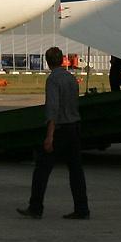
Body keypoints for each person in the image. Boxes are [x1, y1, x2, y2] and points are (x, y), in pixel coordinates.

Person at [18, 46, 89, 219]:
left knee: (42, 170)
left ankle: (35, 208)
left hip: (59, 130)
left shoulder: (53, 80)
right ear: (62, 60)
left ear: (48, 62)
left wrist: (49, 136)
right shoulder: (72, 79)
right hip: (74, 127)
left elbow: (52, 109)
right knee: (76, 171)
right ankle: (82, 209)